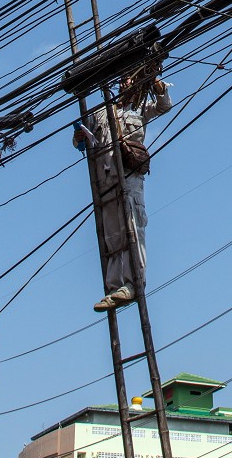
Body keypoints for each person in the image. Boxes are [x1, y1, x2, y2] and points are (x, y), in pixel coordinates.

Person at [74, 67, 172, 311]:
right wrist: (80, 136)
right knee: (112, 233)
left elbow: (164, 105)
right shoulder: (100, 112)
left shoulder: (140, 108)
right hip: (104, 178)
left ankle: (133, 283)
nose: (124, 83)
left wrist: (155, 84)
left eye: (129, 79)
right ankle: (115, 286)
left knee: (131, 227)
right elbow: (80, 140)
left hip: (128, 175)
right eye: (122, 80)